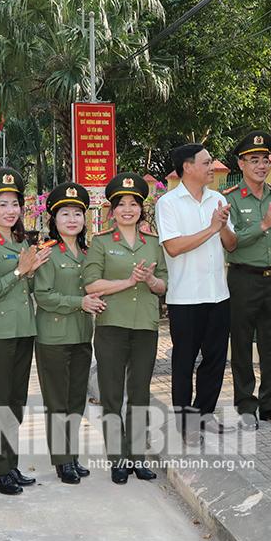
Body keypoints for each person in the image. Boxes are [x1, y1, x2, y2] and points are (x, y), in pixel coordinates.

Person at [0, 167, 50, 494]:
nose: (10, 210)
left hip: (22, 330)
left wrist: (35, 268)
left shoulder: (22, 241)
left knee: (15, 402)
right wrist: (21, 270)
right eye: (2, 204)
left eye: (15, 203)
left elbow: (28, 286)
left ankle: (10, 463)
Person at [83, 173, 167, 484]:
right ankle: (117, 459)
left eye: (134, 204)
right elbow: (91, 283)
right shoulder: (102, 242)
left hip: (145, 325)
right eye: (122, 204)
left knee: (140, 393)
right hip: (111, 326)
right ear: (112, 210)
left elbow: (163, 286)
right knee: (112, 395)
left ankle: (137, 457)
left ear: (141, 209)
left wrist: (150, 281)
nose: (128, 209)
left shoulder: (153, 244)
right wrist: (128, 282)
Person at [156, 143, 235, 440]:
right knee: (184, 363)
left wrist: (224, 226)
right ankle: (186, 424)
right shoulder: (168, 203)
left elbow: (231, 244)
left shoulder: (217, 199)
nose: (212, 167)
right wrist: (212, 228)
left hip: (218, 295)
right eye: (206, 162)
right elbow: (174, 247)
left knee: (215, 361)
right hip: (186, 299)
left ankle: (205, 414)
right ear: (187, 167)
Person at [222, 131, 271, 430]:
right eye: (254, 160)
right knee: (241, 343)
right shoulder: (230, 201)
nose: (261, 166)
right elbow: (232, 242)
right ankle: (244, 404)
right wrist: (264, 225)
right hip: (243, 278)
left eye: (265, 160)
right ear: (241, 164)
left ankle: (269, 403)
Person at [34, 182, 105, 485]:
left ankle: (72, 455)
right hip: (53, 337)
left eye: (78, 213)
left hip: (80, 335)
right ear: (54, 218)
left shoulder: (88, 252)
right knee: (57, 401)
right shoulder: (46, 252)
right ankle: (62, 461)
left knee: (76, 399)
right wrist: (81, 302)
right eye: (65, 213)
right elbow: (44, 295)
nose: (72, 219)